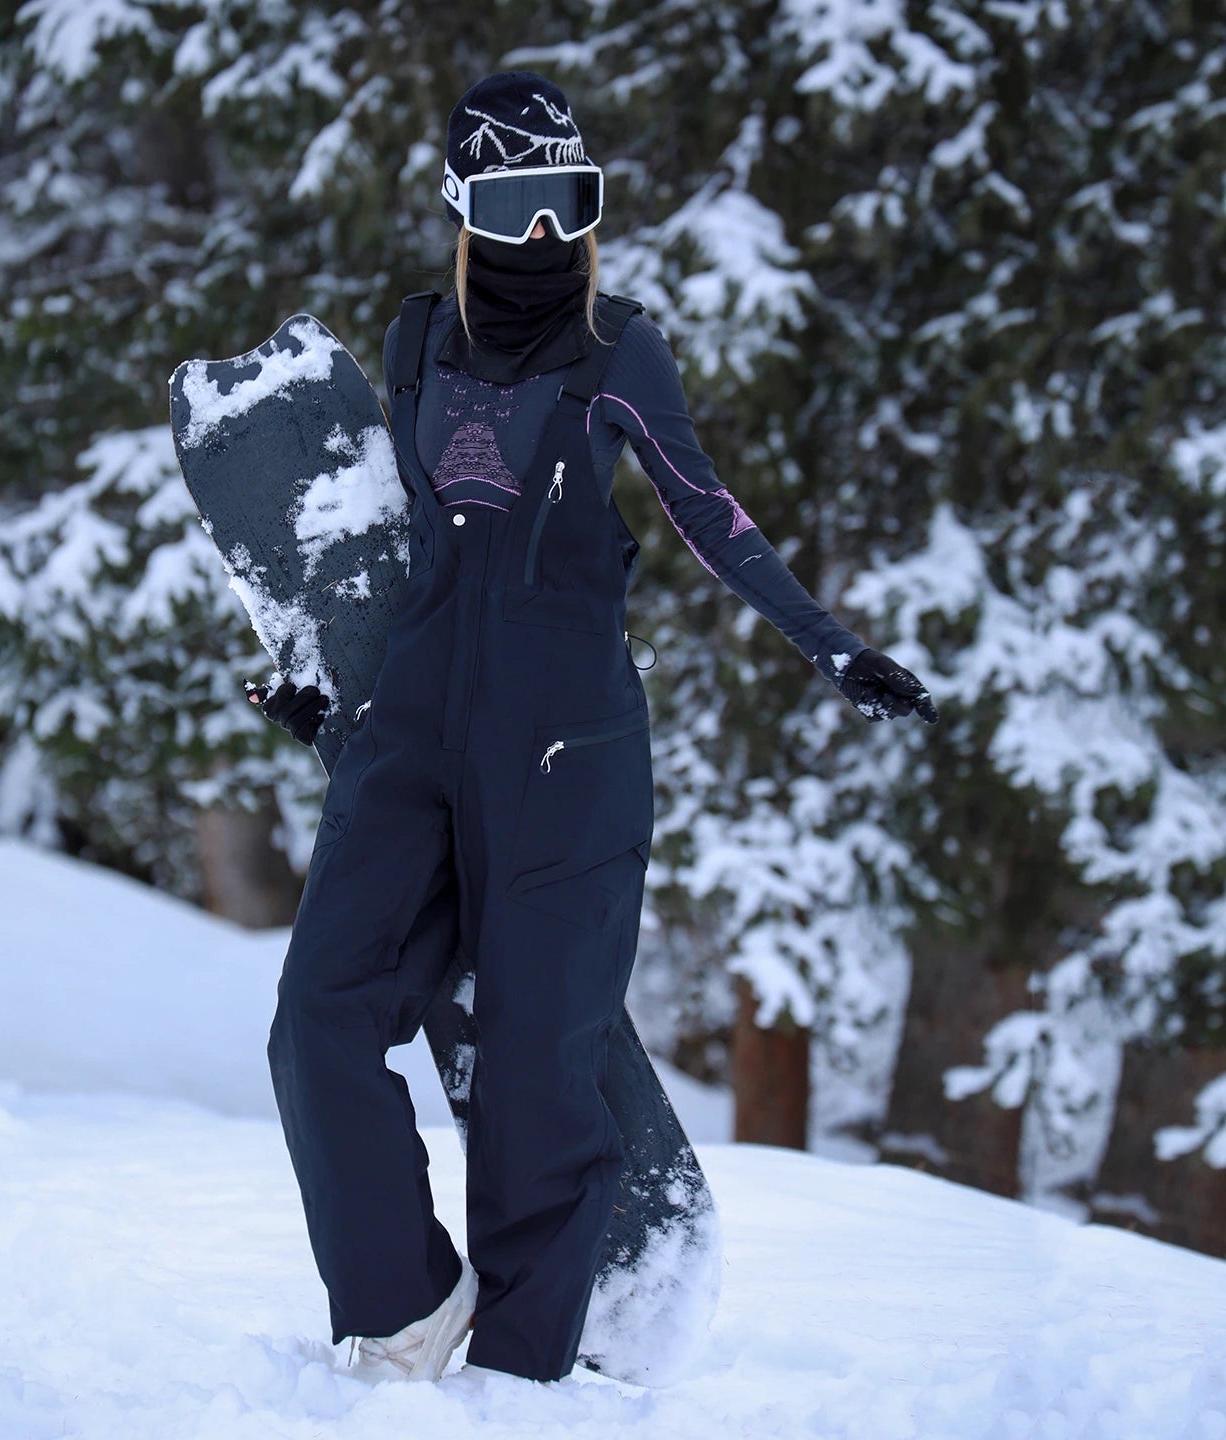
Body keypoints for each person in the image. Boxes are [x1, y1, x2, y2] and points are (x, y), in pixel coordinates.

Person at [254, 70, 937, 1388]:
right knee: (317, 1022)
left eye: (571, 204)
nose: (545, 241)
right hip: (413, 740)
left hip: (565, 754)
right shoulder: (411, 345)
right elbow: (388, 553)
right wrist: (323, 689)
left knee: (534, 1071)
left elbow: (711, 513)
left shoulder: (620, 351)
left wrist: (832, 644)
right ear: (465, 208)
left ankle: (522, 1378)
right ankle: (402, 1310)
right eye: (516, 207)